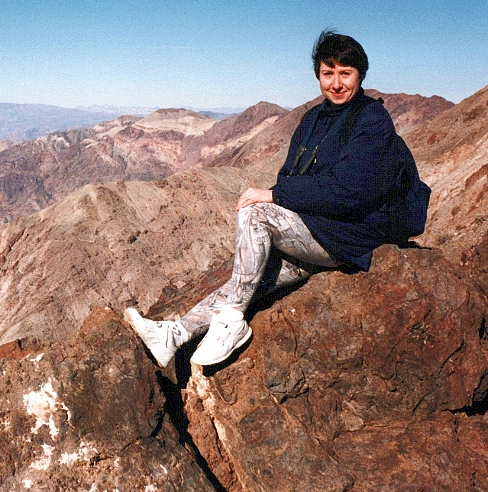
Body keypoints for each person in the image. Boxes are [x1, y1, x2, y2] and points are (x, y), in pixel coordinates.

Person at [127, 30, 406, 368]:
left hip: (347, 237)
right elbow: (292, 174)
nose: (335, 83)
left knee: (256, 212)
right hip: (318, 229)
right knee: (249, 275)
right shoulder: (314, 119)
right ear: (318, 74)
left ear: (360, 75)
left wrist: (275, 196)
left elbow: (348, 192)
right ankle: (173, 335)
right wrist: (285, 199)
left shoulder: (371, 120)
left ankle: (231, 324)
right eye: (327, 73)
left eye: (345, 73)